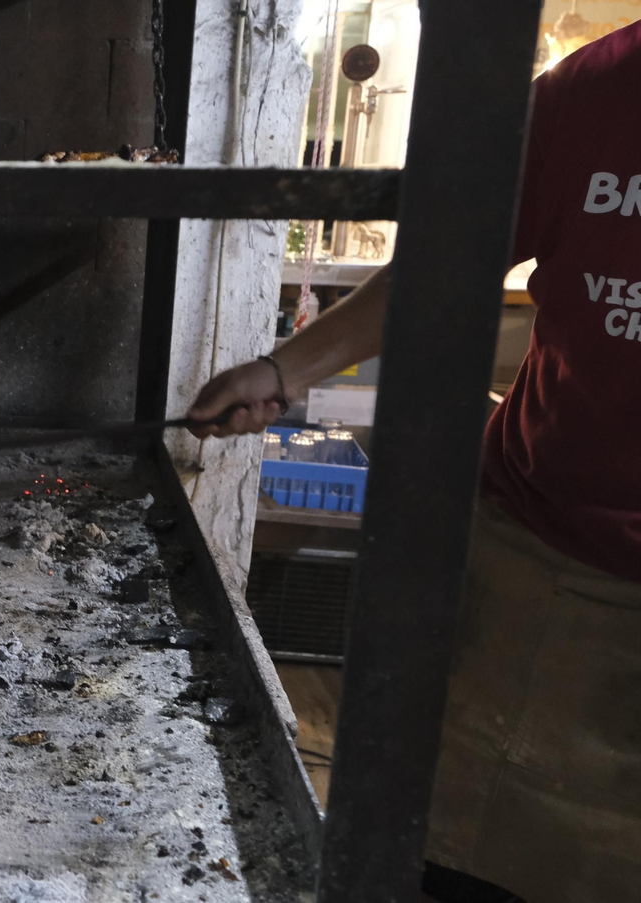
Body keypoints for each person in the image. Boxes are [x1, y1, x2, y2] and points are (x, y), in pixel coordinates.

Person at [187, 19, 641, 903]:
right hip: (532, 566)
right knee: (455, 864)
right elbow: (442, 264)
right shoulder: (596, 89)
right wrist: (283, 371)